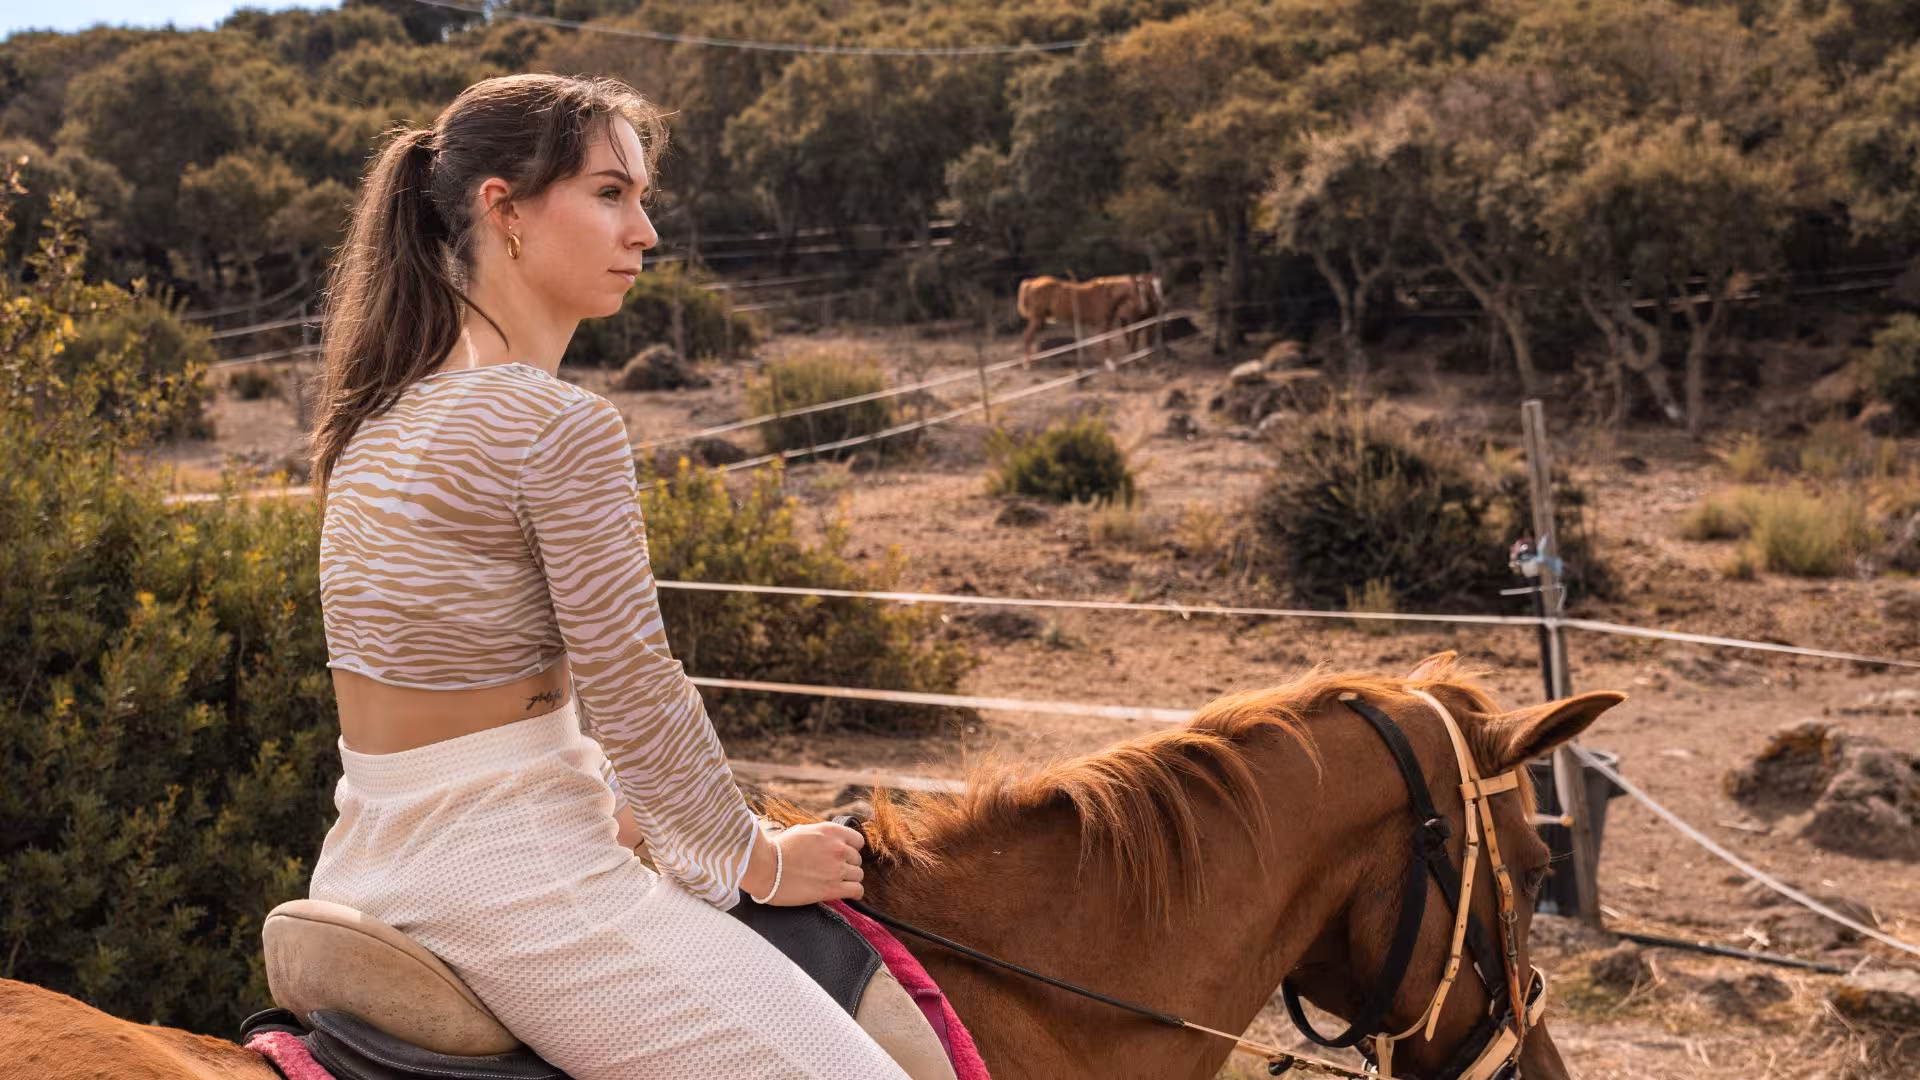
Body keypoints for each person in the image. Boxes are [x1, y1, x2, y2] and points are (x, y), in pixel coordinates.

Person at [303, 73, 911, 1080]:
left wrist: (629, 811)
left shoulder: (374, 424)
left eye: (643, 197)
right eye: (609, 194)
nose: (647, 232)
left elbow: (470, 715)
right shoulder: (555, 425)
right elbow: (633, 689)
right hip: (517, 885)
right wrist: (756, 858)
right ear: (503, 210)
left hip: (372, 860)